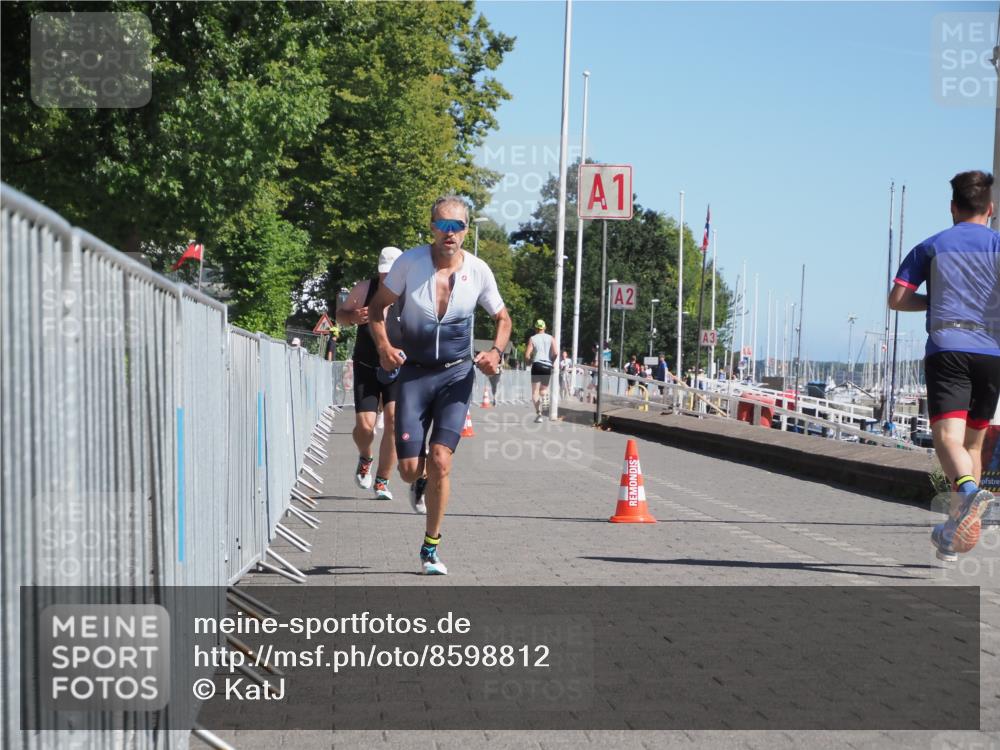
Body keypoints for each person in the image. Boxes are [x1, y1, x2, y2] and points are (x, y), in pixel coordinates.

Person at [368, 196, 511, 575]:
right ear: (431, 226)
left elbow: (503, 318)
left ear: (467, 230)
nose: (450, 234)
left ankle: (430, 547)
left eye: (458, 227)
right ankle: (421, 480)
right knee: (409, 470)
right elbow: (377, 307)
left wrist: (496, 352)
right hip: (413, 374)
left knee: (442, 459)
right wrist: (383, 346)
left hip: (456, 375)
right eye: (443, 226)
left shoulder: (479, 271)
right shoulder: (409, 263)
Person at [888, 169, 999, 561]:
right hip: (991, 354)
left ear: (953, 208)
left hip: (948, 349)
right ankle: (954, 535)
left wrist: (933, 304)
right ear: (991, 208)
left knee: (947, 440)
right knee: (972, 443)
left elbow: (897, 298)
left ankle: (968, 492)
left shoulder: (932, 246)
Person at [336, 246, 404, 501]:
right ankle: (366, 456)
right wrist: (352, 316)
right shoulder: (364, 289)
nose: (387, 278)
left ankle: (382, 481)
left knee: (394, 422)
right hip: (367, 367)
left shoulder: (410, 294)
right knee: (365, 428)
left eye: (392, 272)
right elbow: (339, 316)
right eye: (383, 273)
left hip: (398, 369)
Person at [525, 319, 557, 423]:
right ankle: (545, 396)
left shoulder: (532, 338)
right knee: (543, 390)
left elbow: (527, 355)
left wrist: (528, 362)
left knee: (535, 392)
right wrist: (551, 361)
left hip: (537, 364)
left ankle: (539, 415)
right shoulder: (551, 338)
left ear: (536, 328)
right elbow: (556, 352)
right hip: (547, 365)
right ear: (544, 327)